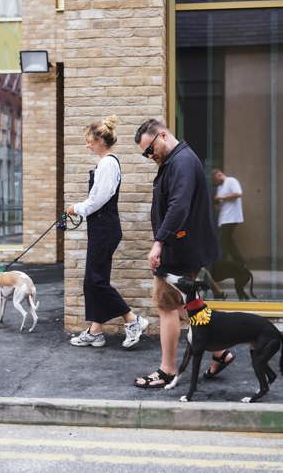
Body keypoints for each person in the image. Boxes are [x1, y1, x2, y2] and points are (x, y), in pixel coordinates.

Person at [134, 119, 235, 387]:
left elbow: (179, 207)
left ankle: (167, 370)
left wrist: (159, 242)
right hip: (183, 247)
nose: (149, 156)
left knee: (166, 305)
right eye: (145, 153)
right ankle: (220, 352)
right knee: (187, 305)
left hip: (178, 250)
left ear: (163, 136)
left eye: (149, 149)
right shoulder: (178, 161)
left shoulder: (181, 162)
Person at [67, 115, 148, 349]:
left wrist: (76, 208)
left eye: (89, 140)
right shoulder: (105, 163)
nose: (87, 144)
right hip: (101, 228)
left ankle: (133, 320)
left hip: (104, 228)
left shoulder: (108, 164)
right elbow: (97, 199)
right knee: (91, 281)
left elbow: (98, 200)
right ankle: (95, 330)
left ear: (101, 139)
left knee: (96, 280)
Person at [212, 168, 245, 266]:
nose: (215, 182)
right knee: (228, 240)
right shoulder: (219, 187)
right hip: (224, 218)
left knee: (224, 241)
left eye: (215, 179)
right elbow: (219, 203)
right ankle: (240, 262)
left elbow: (238, 193)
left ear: (219, 174)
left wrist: (221, 197)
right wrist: (216, 202)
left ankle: (223, 262)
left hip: (232, 217)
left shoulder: (231, 181)